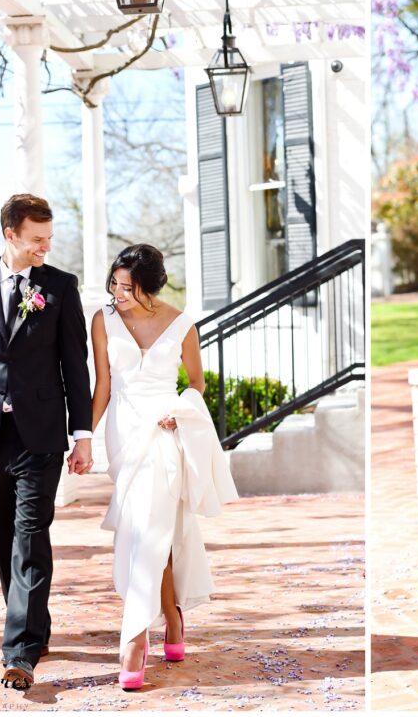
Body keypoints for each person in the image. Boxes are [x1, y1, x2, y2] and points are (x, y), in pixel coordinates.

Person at [0, 194, 93, 689]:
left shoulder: (61, 288)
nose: (46, 247)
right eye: (37, 240)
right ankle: (31, 625)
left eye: (50, 239)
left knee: (30, 536)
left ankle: (20, 653)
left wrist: (82, 433)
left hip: (41, 437)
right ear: (11, 235)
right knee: (4, 539)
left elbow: (75, 365)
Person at [89, 244, 238, 690]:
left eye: (128, 288)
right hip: (122, 432)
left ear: (151, 286)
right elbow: (103, 385)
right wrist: (77, 438)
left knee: (149, 530)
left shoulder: (182, 324)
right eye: (114, 285)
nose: (118, 294)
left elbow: (196, 384)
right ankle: (172, 617)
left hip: (163, 429)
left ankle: (135, 636)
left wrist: (180, 409)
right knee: (152, 529)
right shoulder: (102, 320)